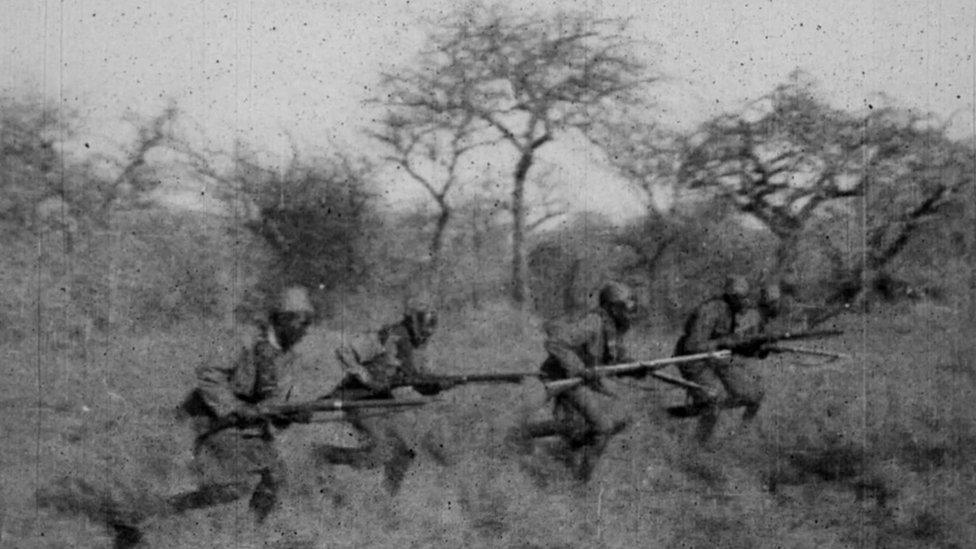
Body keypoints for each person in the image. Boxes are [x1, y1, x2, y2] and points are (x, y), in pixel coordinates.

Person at [38, 286, 317, 547]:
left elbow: (275, 404)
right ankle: (138, 519)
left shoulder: (288, 357)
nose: (305, 330)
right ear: (282, 319)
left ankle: (250, 535)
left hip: (249, 427)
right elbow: (209, 378)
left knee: (276, 477)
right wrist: (234, 407)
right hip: (210, 420)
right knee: (236, 485)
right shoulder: (243, 340)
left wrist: (292, 415)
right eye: (301, 322)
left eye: (308, 323)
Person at [313, 306, 448, 495]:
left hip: (382, 399)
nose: (425, 336)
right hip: (359, 397)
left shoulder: (415, 348)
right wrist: (364, 375)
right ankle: (324, 455)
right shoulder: (388, 335)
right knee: (378, 453)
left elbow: (417, 380)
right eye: (423, 329)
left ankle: (388, 497)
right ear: (413, 320)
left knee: (405, 449)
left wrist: (440, 385)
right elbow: (344, 352)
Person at [519, 281, 637, 482]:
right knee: (603, 426)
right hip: (564, 377)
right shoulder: (594, 322)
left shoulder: (615, 327)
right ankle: (580, 483)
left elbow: (614, 357)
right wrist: (580, 369)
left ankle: (527, 436)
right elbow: (555, 342)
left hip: (579, 380)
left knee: (621, 417)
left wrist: (637, 368)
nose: (629, 311)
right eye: (624, 306)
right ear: (611, 307)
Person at [672, 275, 766, 443]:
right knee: (714, 400)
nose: (745, 302)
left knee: (755, 394)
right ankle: (697, 445)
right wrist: (724, 342)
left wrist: (758, 349)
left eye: (746, 297)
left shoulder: (732, 312)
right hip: (693, 360)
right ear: (731, 296)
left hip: (717, 359)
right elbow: (692, 346)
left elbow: (732, 345)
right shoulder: (711, 310)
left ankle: (741, 438)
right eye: (740, 298)